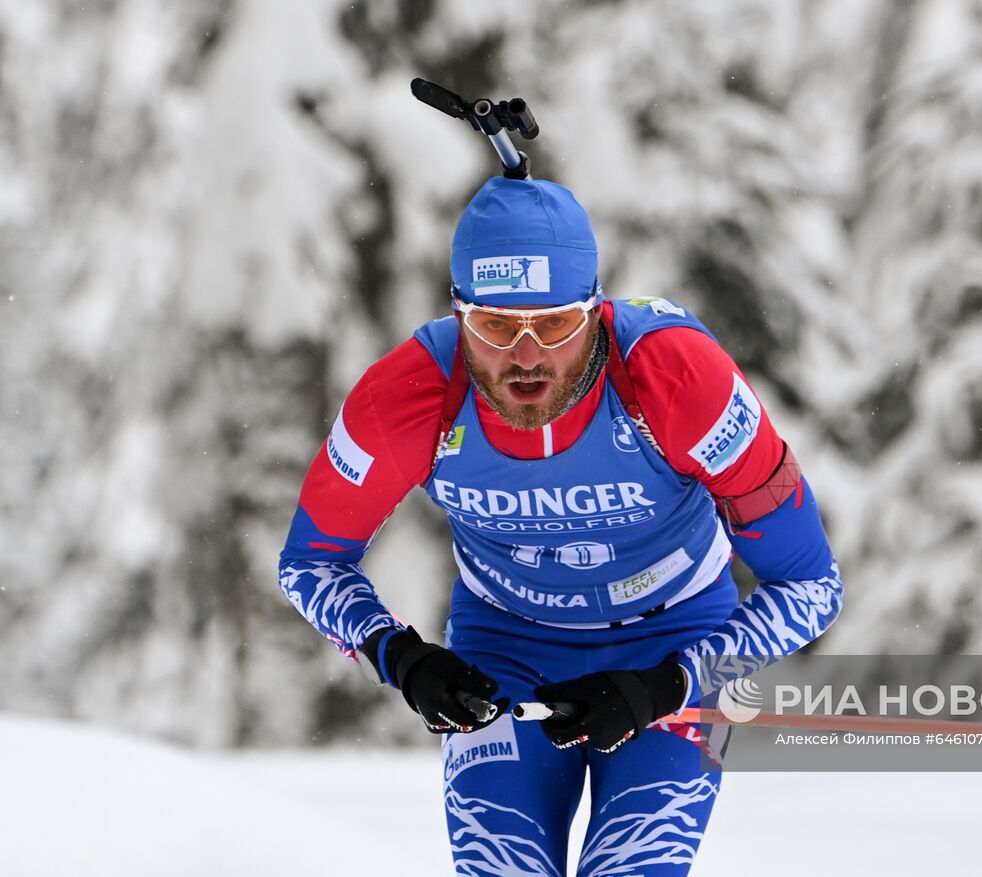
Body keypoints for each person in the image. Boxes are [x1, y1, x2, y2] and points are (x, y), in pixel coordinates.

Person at [278, 176, 844, 875]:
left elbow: (812, 585)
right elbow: (309, 562)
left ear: (596, 311)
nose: (524, 357)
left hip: (674, 647)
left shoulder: (679, 378)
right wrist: (401, 657)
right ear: (458, 315)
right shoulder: (406, 396)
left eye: (552, 324)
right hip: (505, 652)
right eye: (493, 326)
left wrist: (672, 683)